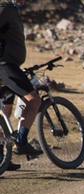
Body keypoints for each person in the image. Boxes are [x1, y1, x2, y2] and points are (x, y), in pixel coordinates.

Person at [0, 0, 43, 171]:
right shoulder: (4, 9)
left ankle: (3, 158)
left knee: (5, 111)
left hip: (10, 66)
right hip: (5, 66)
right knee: (34, 100)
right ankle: (21, 143)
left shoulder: (12, 11)